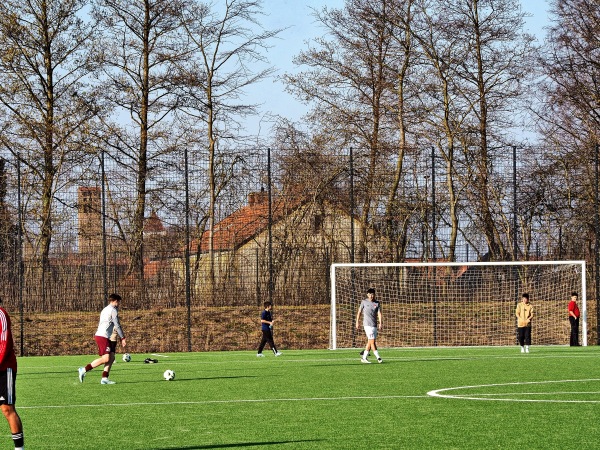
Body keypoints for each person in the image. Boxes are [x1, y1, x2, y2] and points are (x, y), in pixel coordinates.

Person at [79, 293, 126, 384]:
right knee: (106, 358)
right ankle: (84, 369)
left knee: (111, 357)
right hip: (102, 336)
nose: (119, 304)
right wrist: (123, 337)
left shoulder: (105, 309)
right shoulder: (113, 310)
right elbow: (117, 325)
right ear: (116, 301)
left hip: (104, 336)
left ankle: (104, 378)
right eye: (119, 302)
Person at [0, 299, 24, 450]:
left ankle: (19, 448)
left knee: (7, 409)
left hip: (4, 368)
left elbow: (4, 343)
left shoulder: (1, 314)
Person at [355, 288, 383, 364]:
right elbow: (359, 312)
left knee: (370, 342)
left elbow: (379, 314)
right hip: (367, 325)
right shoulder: (364, 302)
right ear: (367, 295)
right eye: (370, 294)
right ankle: (378, 357)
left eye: (372, 294)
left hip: (374, 325)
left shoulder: (377, 303)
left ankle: (364, 357)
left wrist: (380, 323)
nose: (371, 296)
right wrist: (357, 322)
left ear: (374, 295)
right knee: (372, 341)